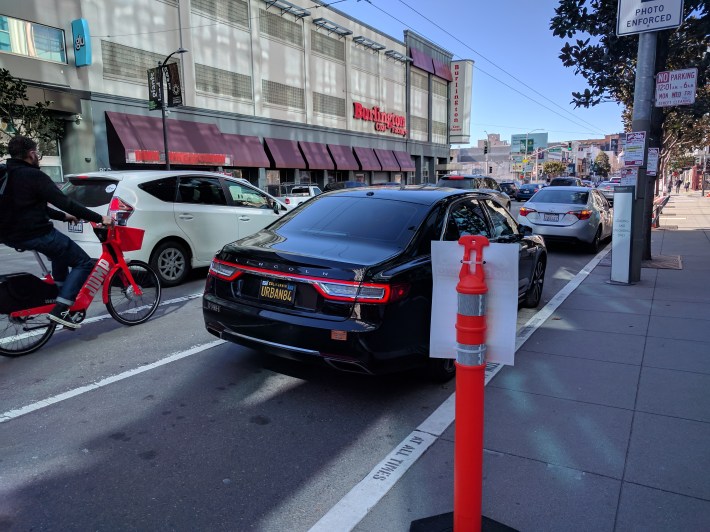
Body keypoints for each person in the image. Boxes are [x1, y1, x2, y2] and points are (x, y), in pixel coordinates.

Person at [0, 136, 112, 328]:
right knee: (83, 262)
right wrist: (99, 218)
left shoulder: (5, 174)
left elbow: (30, 205)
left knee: (60, 251)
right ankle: (62, 309)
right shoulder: (34, 176)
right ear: (31, 154)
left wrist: (63, 217)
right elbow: (65, 202)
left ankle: (59, 293)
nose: (38, 158)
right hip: (34, 233)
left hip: (9, 234)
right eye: (37, 153)